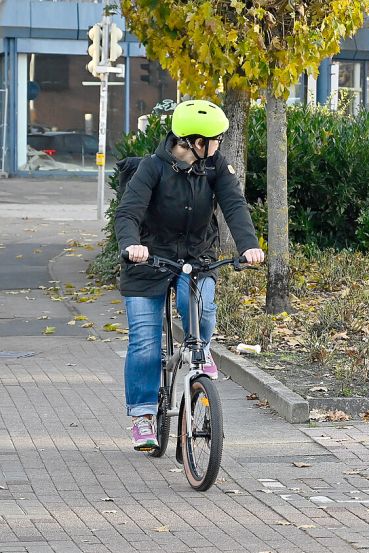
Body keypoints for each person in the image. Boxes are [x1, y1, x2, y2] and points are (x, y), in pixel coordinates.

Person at [114, 99, 265, 451]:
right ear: (195, 142)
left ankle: (202, 347)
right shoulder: (152, 168)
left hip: (196, 256)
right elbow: (128, 212)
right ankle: (143, 416)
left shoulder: (215, 167)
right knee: (145, 342)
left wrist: (249, 245)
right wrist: (132, 245)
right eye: (214, 139)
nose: (218, 145)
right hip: (147, 259)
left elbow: (234, 206)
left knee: (199, 303)